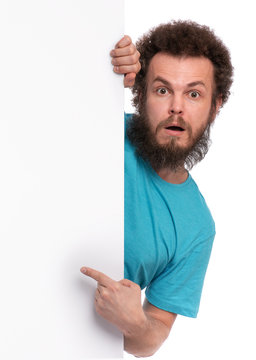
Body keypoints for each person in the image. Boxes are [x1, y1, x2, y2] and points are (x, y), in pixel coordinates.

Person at [80, 20, 233, 357]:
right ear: (141, 92)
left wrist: (134, 322)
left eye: (193, 94)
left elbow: (151, 338)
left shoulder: (197, 227)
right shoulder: (97, 125)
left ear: (215, 106)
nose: (176, 106)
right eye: (162, 90)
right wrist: (96, 58)